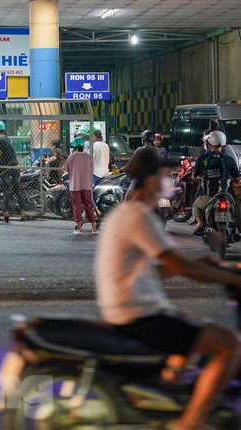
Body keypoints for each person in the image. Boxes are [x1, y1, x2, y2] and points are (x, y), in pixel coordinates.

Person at [95, 146, 241, 430]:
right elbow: (180, 266)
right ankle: (191, 422)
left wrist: (203, 262)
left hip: (130, 309)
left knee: (195, 327)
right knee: (228, 345)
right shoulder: (139, 216)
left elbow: (158, 271)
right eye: (165, 176)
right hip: (140, 315)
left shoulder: (127, 212)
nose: (170, 182)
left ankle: (172, 397)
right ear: (151, 180)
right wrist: (233, 279)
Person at [191, 131, 240, 235]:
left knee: (196, 206)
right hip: (227, 196)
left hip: (208, 196)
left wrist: (198, 178)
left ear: (209, 144)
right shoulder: (229, 159)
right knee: (238, 212)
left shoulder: (202, 158)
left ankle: (199, 223)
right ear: (223, 144)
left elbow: (194, 177)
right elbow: (237, 179)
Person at [0, 121, 27, 221]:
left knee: (5, 190)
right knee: (17, 190)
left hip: (6, 170)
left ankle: (5, 213)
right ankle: (22, 212)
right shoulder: (7, 139)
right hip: (15, 167)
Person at [66, 137, 99, 235]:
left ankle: (79, 229)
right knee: (88, 205)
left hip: (75, 185)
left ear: (74, 147)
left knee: (77, 206)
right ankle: (94, 228)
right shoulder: (88, 157)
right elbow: (91, 170)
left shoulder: (71, 157)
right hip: (86, 184)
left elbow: (67, 169)